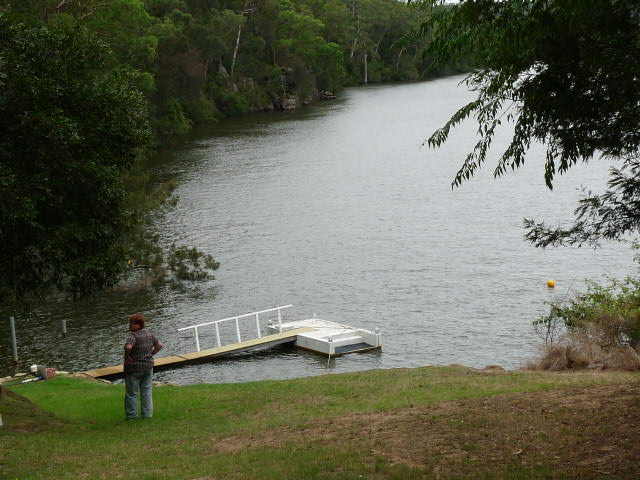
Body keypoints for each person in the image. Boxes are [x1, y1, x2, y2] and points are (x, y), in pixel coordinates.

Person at [124, 314, 163, 420]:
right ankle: (147, 415)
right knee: (146, 391)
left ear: (137, 325)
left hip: (134, 368)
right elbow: (160, 345)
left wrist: (127, 356)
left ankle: (132, 416)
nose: (129, 325)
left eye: (131, 323)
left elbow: (128, 346)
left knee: (132, 393)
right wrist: (151, 354)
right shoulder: (149, 333)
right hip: (148, 366)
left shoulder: (133, 336)